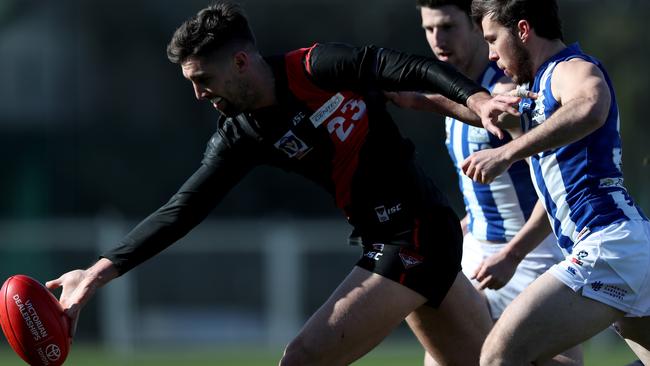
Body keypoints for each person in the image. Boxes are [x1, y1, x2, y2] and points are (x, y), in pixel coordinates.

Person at [45, 2, 523, 365]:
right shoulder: (241, 135)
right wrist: (94, 274)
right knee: (487, 361)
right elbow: (182, 210)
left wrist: (479, 100)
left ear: (240, 63)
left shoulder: (314, 67)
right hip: (401, 237)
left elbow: (404, 67)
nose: (198, 93)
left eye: (203, 78)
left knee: (301, 360)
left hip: (413, 234)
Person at [462, 0, 650, 365]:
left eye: (492, 40)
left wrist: (507, 153)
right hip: (626, 249)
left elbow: (592, 105)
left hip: (608, 245)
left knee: (499, 357)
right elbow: (560, 198)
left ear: (522, 30)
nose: (490, 55)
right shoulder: (538, 91)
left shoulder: (570, 69)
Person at [400, 0, 581, 364]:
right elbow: (483, 190)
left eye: (448, 27)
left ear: (476, 29)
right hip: (476, 257)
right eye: (428, 29)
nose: (437, 39)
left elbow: (559, 189)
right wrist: (465, 226)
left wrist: (512, 254)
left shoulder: (504, 95)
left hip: (531, 257)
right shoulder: (459, 93)